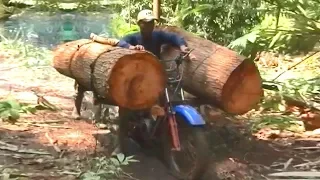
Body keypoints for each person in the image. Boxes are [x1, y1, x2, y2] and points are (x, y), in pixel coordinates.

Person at [118, 9, 194, 59]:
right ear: (139, 23)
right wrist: (131, 47)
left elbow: (174, 37)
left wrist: (182, 46)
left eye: (151, 22)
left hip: (156, 73)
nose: (149, 26)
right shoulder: (133, 38)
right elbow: (120, 42)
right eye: (146, 23)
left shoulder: (157, 35)